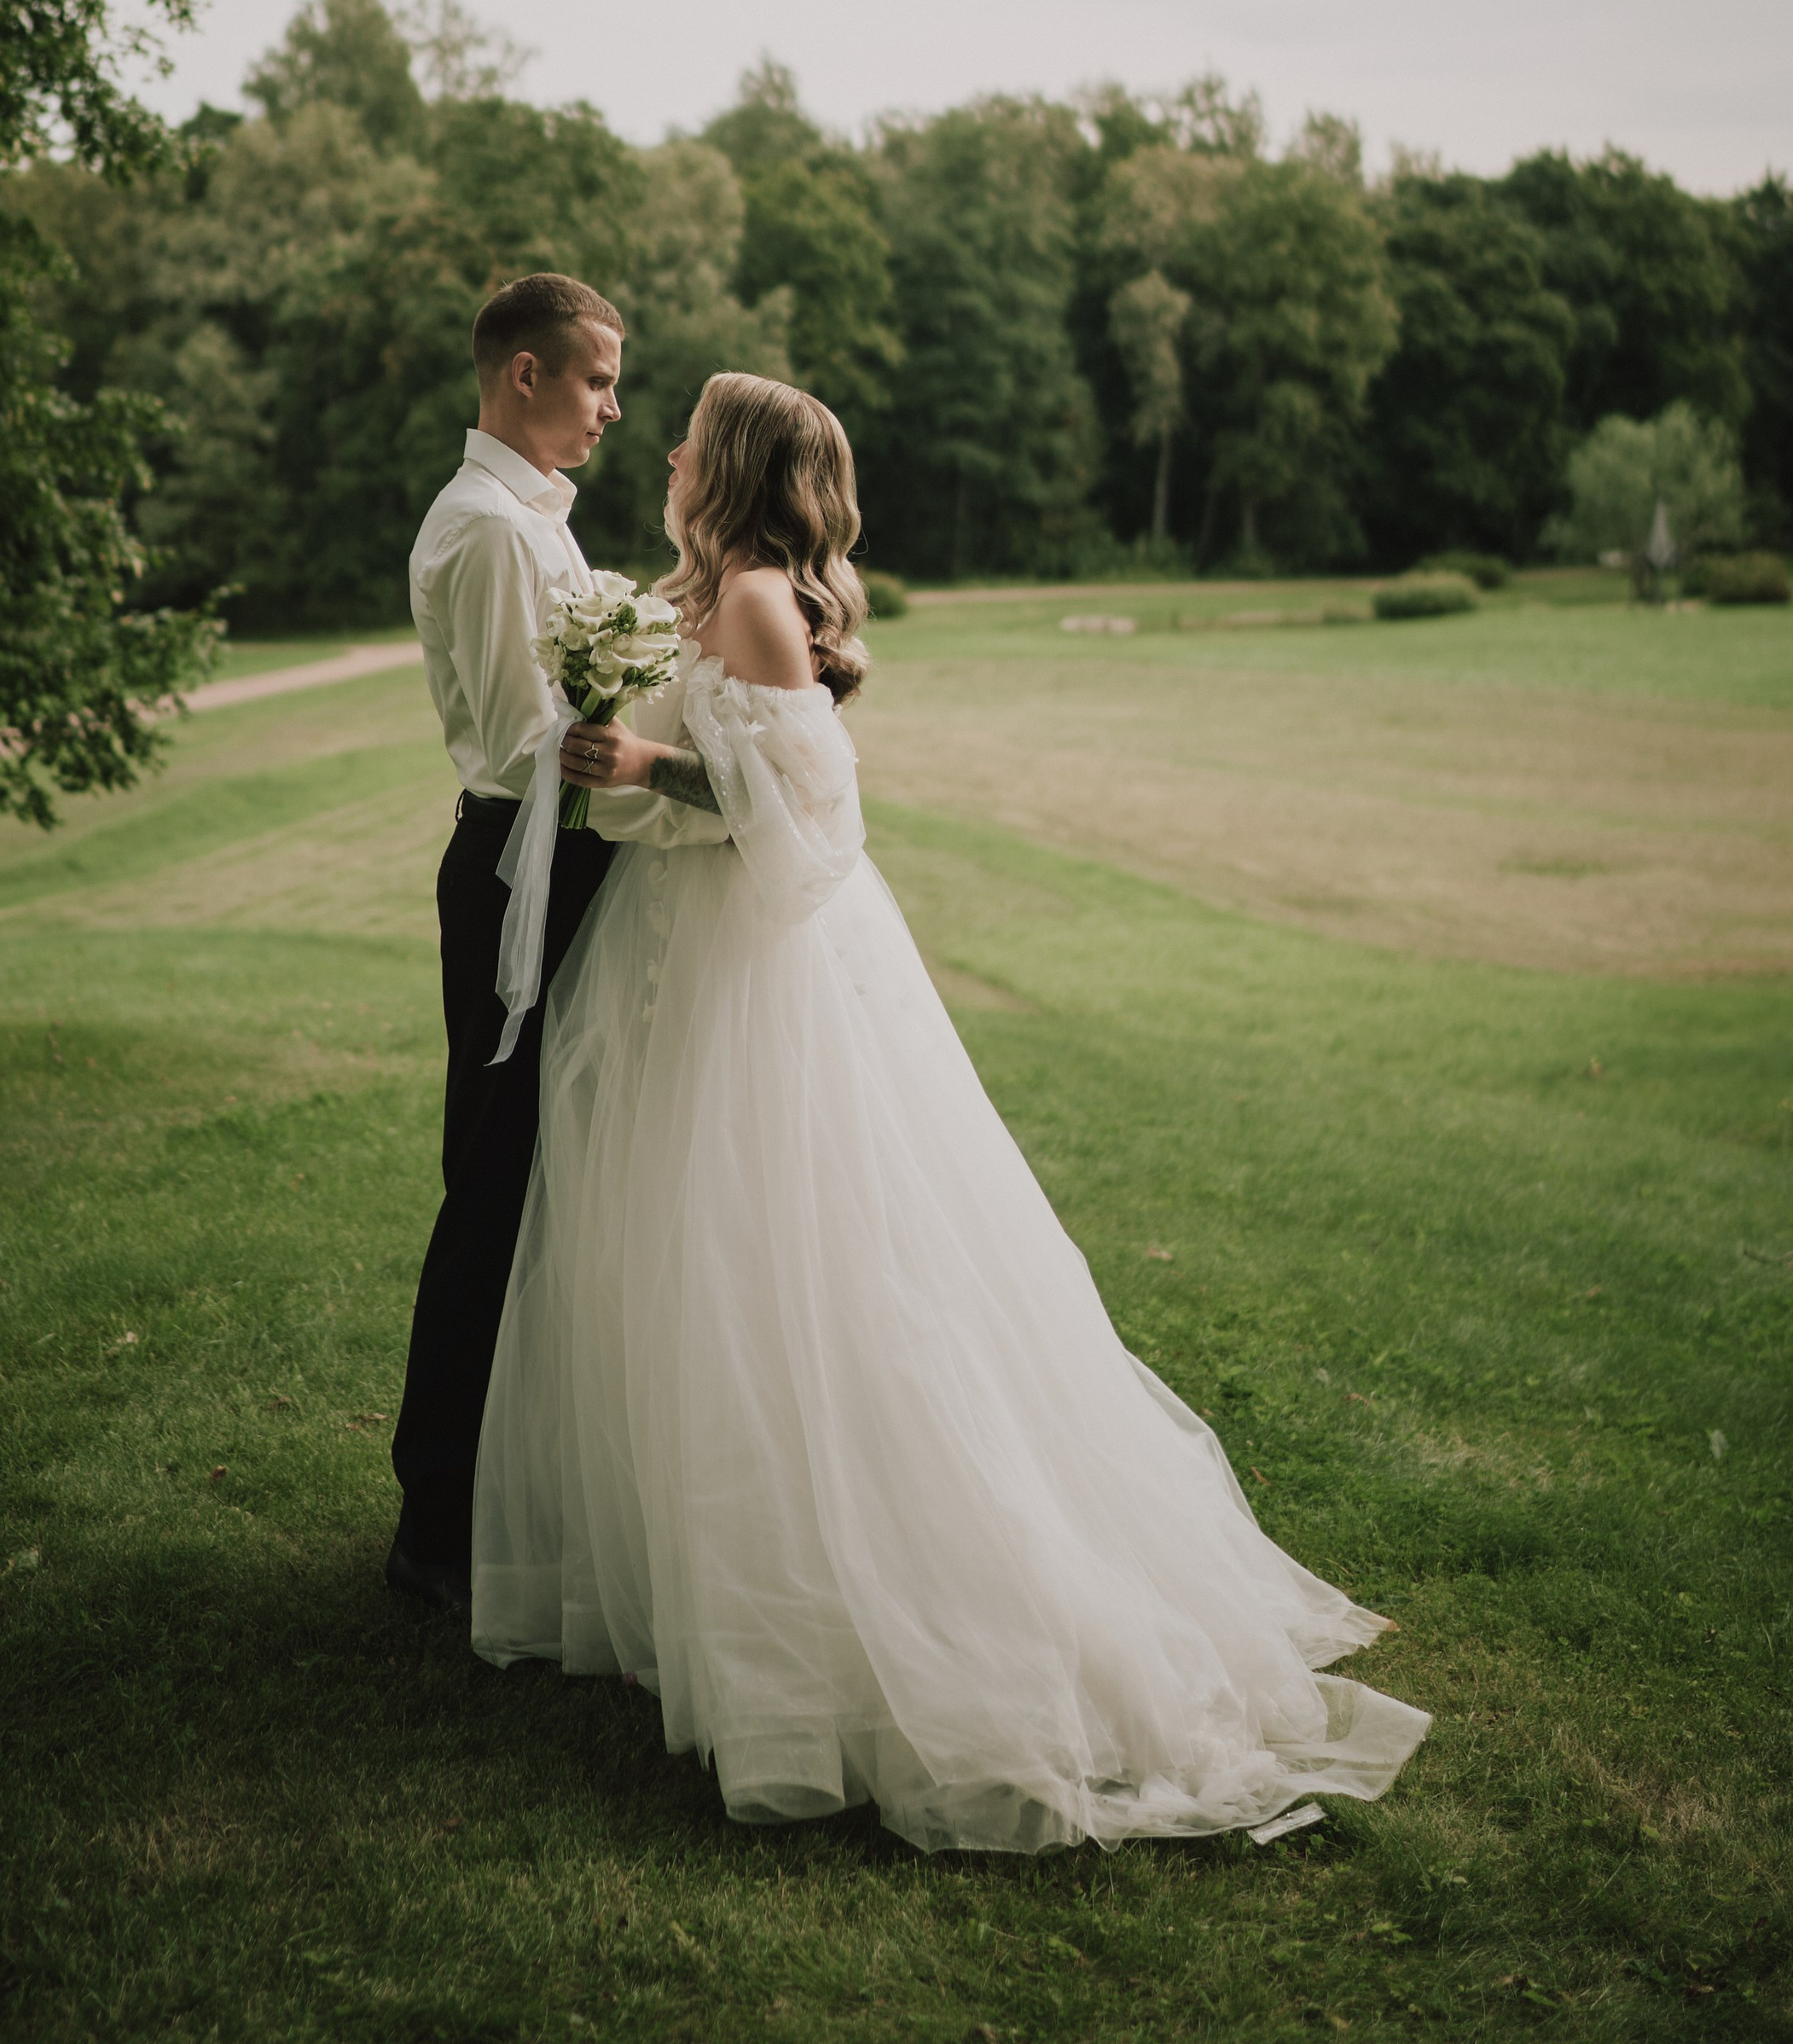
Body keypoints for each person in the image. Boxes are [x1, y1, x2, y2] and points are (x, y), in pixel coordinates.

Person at [473, 372, 1431, 1852]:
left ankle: (883, 1621)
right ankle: (712, 1585)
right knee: (689, 1281)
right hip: (675, 957)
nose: (661, 450)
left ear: (730, 465)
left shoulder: (761, 604)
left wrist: (652, 759)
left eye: (684, 436)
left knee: (801, 1285)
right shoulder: (706, 591)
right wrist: (625, 764)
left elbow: (815, 820)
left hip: (760, 982)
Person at [386, 270, 628, 1618]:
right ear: (523, 376)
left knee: (535, 1182)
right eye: (593, 380)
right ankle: (437, 1520)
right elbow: (531, 748)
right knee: (487, 1183)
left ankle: (512, 1487)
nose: (608, 409)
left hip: (562, 855)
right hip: (515, 872)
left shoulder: (534, 519)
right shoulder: (488, 531)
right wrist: (673, 769)